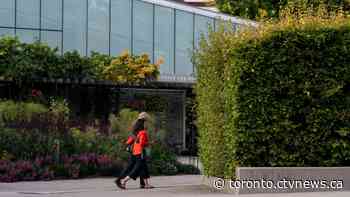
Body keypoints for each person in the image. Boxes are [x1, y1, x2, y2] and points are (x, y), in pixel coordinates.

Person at [115, 112, 153, 189]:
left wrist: (128, 144)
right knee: (136, 167)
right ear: (144, 119)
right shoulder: (141, 129)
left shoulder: (136, 127)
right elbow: (141, 142)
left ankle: (144, 184)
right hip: (139, 151)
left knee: (142, 166)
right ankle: (123, 180)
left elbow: (131, 138)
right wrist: (149, 143)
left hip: (134, 150)